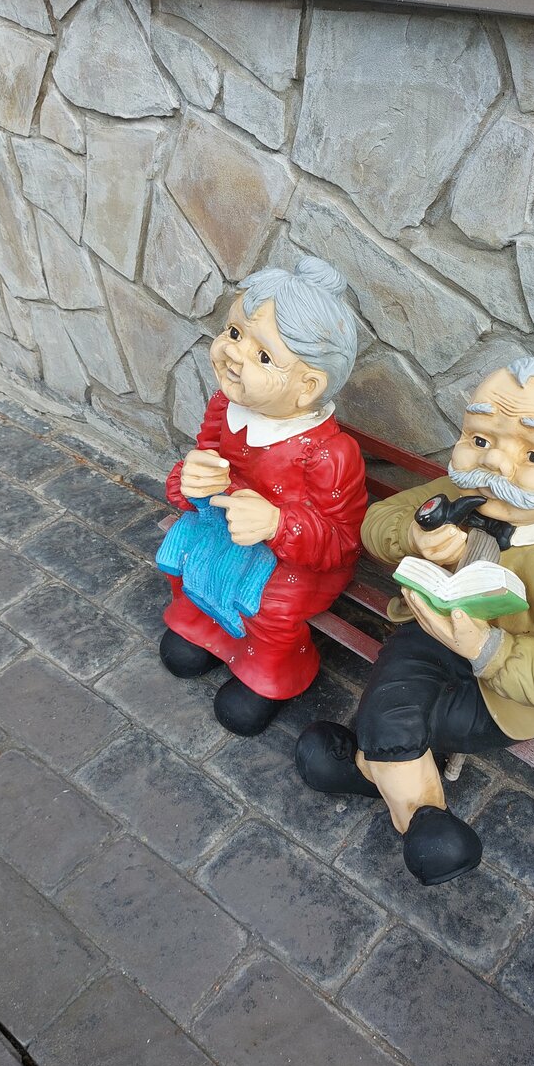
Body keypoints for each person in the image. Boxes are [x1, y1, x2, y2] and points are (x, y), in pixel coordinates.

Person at [295, 357, 534, 885]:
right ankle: (416, 811)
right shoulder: (457, 493)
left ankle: (393, 792)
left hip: (499, 692)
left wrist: (490, 649)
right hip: (429, 634)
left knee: (392, 716)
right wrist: (413, 537)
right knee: (393, 700)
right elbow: (377, 522)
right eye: (481, 439)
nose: (496, 464)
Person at [159, 256, 367, 736]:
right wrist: (191, 479)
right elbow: (206, 456)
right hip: (225, 531)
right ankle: (205, 632)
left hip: (296, 560)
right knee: (188, 556)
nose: (234, 354)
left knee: (271, 606)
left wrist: (277, 523)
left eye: (263, 356)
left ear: (307, 387)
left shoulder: (329, 453)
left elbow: (342, 541)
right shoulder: (224, 405)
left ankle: (267, 675)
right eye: (234, 333)